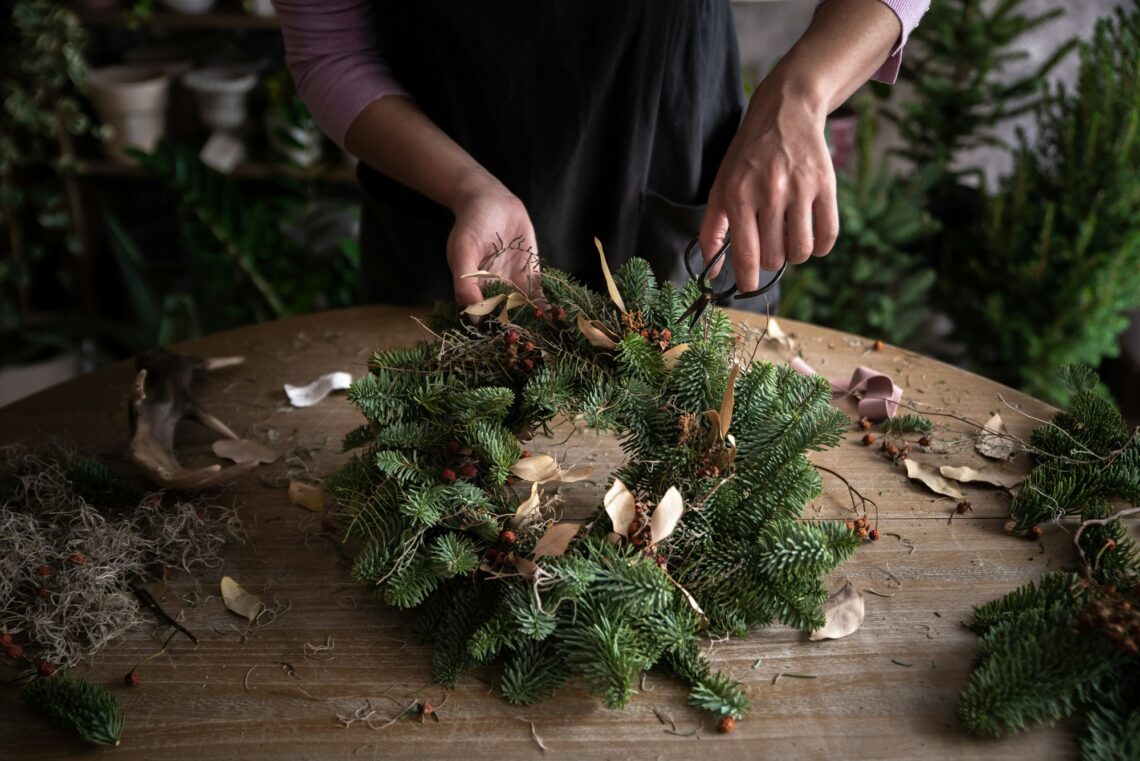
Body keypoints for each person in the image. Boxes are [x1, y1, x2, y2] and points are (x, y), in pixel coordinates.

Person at [274, 0, 929, 309]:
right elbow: (332, 50)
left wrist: (799, 95)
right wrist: (467, 187)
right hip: (447, 219)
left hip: (671, 187)